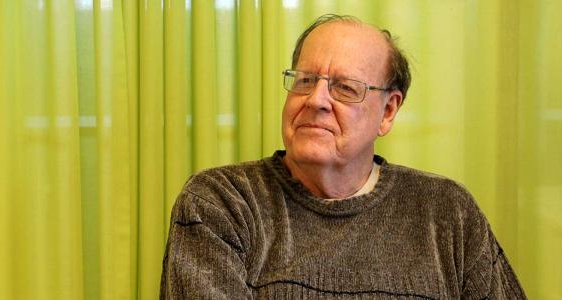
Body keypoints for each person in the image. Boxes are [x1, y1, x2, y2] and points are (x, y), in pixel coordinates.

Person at [161, 14, 526, 299]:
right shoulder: (222, 202)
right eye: (305, 80)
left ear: (387, 112)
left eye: (345, 88)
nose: (316, 100)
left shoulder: (447, 211)